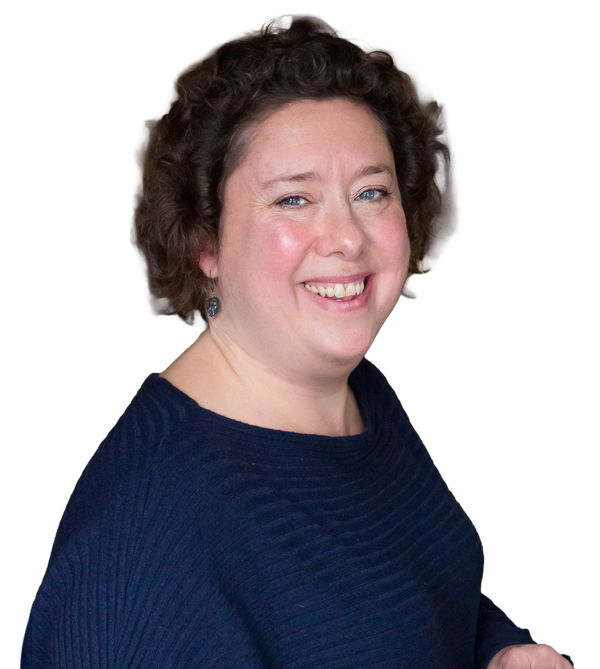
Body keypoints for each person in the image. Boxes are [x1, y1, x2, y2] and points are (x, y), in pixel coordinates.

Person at [22, 18, 571, 669]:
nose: (347, 237)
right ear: (204, 240)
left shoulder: (354, 391)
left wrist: (500, 649)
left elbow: (432, 603)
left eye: (371, 191)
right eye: (293, 199)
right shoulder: (140, 560)